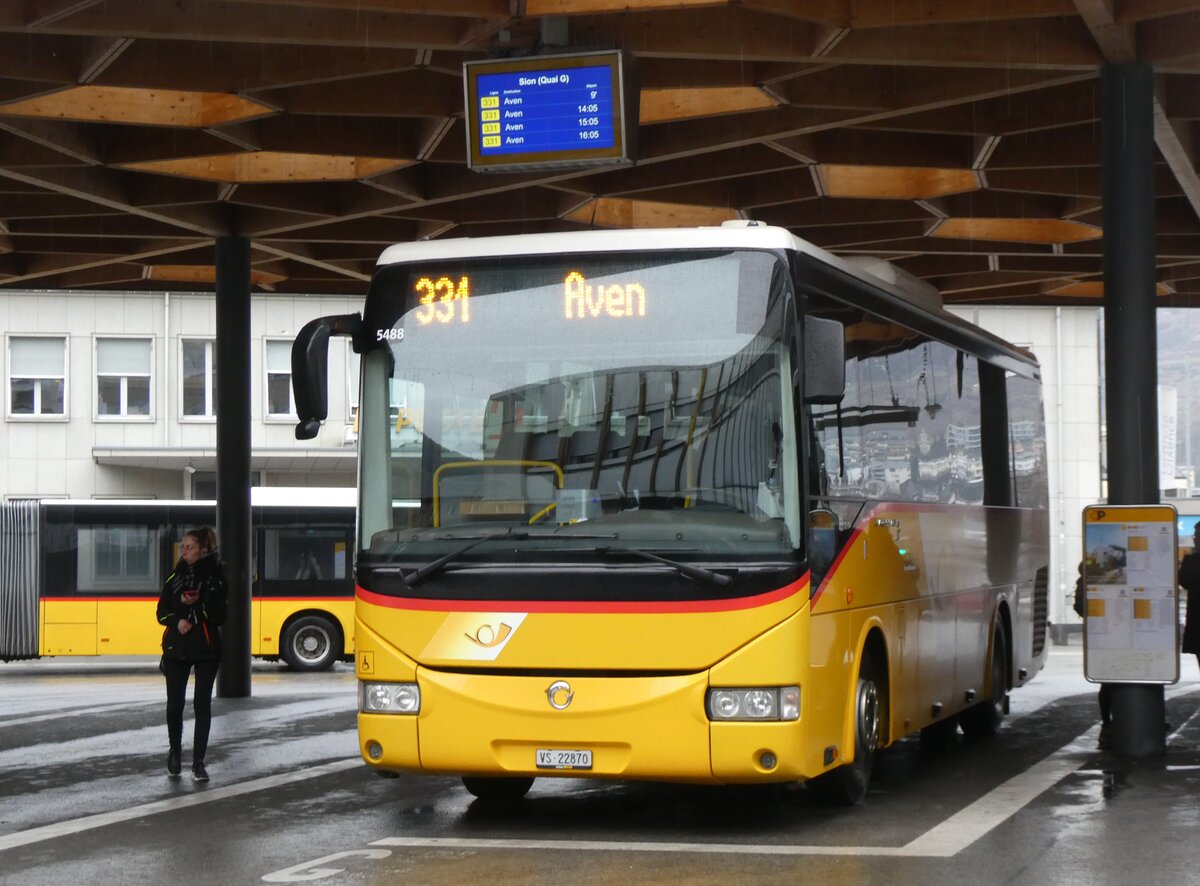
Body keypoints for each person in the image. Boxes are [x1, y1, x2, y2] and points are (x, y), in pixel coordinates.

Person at [157, 526, 227, 781]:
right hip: (177, 648)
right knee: (174, 705)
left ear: (203, 550)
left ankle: (199, 762)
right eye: (182, 546)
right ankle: (175, 751)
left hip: (207, 648)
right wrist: (177, 621)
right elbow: (161, 612)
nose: (183, 551)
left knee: (202, 706)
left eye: (189, 547)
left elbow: (221, 615)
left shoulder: (216, 577)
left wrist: (199, 602)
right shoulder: (174, 576)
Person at [1074, 560, 1113, 749]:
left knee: (1108, 682)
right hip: (1108, 633)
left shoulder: (1089, 573)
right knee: (1111, 682)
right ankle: (1111, 724)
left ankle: (1108, 725)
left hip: (1102, 634)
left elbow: (1080, 606)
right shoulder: (1097, 572)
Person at [1179, 523, 1200, 671]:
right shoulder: (1192, 560)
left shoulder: (1192, 561)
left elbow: (1184, 581)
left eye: (1197, 536)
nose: (1195, 539)